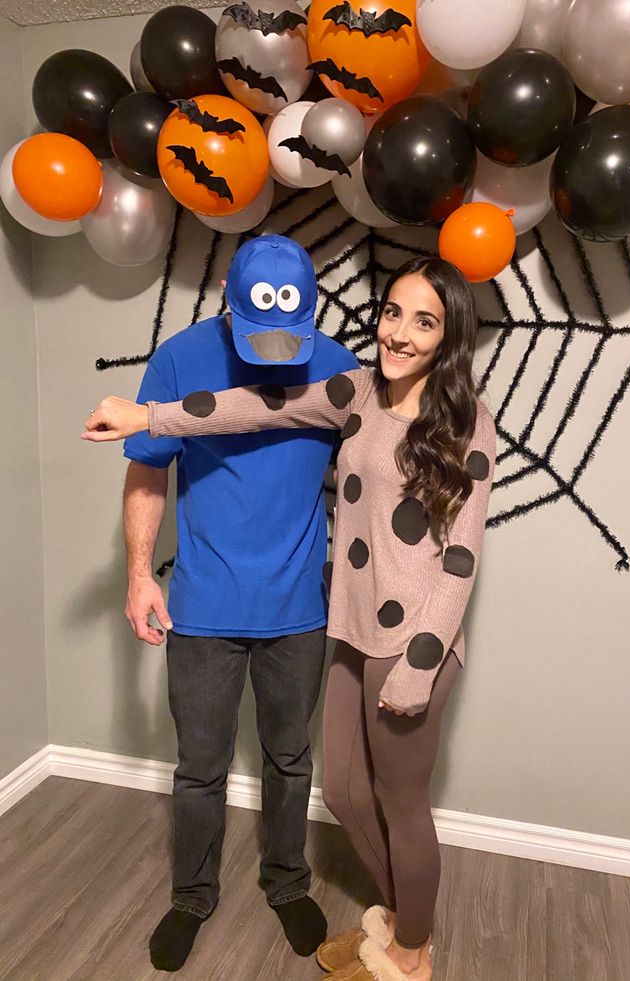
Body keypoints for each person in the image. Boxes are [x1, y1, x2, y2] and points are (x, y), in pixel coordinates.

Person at [84, 256, 496, 981]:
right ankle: (202, 898)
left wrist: (423, 659)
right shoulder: (330, 382)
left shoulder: (414, 400)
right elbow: (246, 411)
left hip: (345, 624)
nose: (399, 332)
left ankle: (359, 919)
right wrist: (149, 427)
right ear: (227, 299)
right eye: (393, 312)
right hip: (278, 616)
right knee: (248, 774)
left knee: (323, 771)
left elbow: (459, 558)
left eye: (424, 319)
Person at [115, 234, 358, 972]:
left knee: (289, 755)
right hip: (204, 602)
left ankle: (286, 879)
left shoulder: (340, 366)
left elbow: (371, 479)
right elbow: (148, 471)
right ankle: (192, 894)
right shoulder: (180, 356)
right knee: (200, 763)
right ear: (229, 295)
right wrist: (137, 573)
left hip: (299, 606)